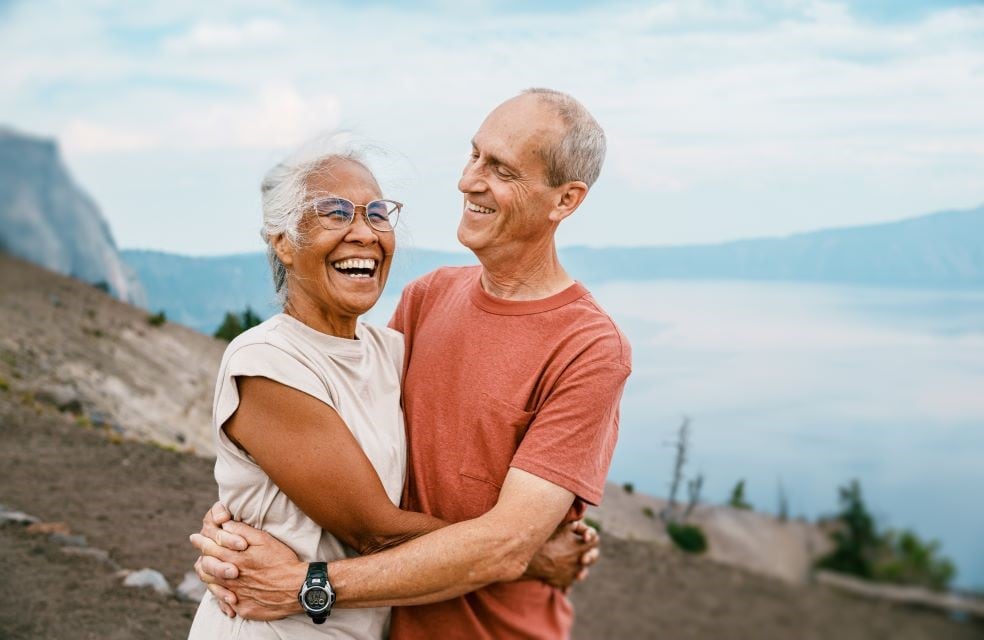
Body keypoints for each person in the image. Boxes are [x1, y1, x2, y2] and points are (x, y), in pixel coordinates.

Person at [193, 88, 631, 639]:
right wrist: (237, 518)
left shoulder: (588, 346)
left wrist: (518, 547)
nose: (469, 180)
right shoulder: (427, 300)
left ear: (564, 201)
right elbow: (367, 511)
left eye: (501, 168)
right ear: (281, 241)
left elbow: (498, 541)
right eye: (474, 155)